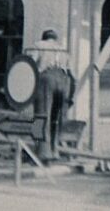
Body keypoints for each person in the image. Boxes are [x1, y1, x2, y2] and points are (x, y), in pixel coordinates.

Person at [28, 29, 74, 161]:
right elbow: (71, 73)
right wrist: (70, 94)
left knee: (40, 116)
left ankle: (42, 152)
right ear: (55, 39)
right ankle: (55, 151)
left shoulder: (39, 45)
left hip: (46, 79)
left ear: (44, 38)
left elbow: (31, 65)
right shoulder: (63, 49)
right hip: (63, 81)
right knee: (56, 118)